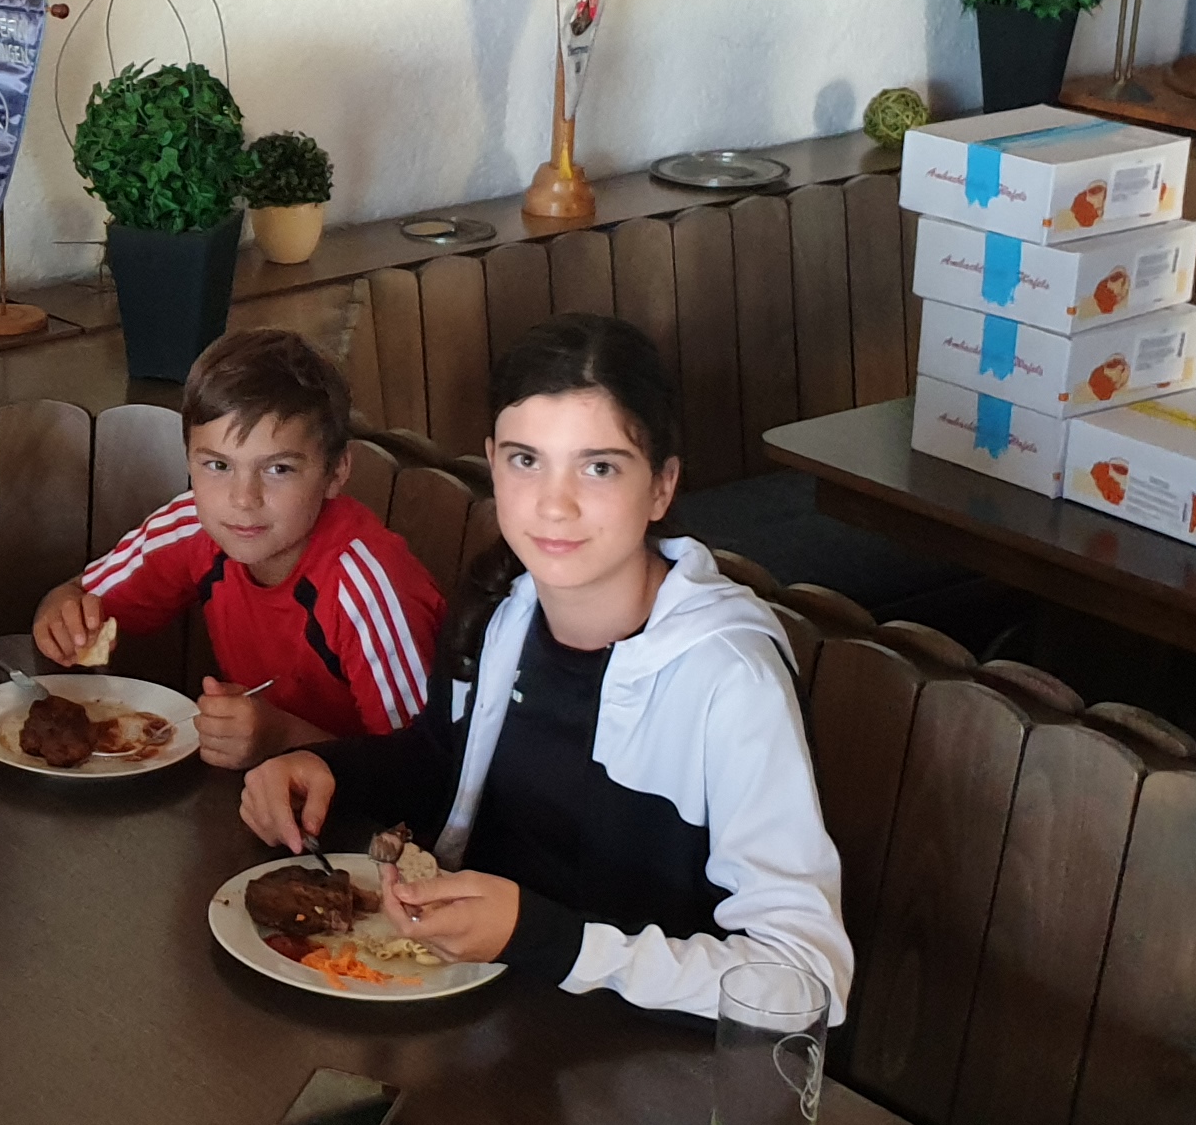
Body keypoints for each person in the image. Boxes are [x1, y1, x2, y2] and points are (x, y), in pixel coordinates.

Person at [242, 318, 851, 1022]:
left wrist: (546, 940)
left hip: (638, 1054)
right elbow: (446, 760)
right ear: (492, 462)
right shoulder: (504, 607)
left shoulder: (731, 679)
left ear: (662, 487)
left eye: (600, 467)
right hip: (483, 1012)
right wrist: (325, 769)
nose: (554, 504)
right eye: (527, 461)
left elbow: (807, 979)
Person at [35, 330, 443, 770]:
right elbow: (80, 596)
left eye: (279, 469)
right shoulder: (193, 525)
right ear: (188, 459)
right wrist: (62, 616)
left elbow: (423, 774)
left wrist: (282, 737)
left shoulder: (368, 587)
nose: (243, 499)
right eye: (218, 465)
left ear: (336, 472)